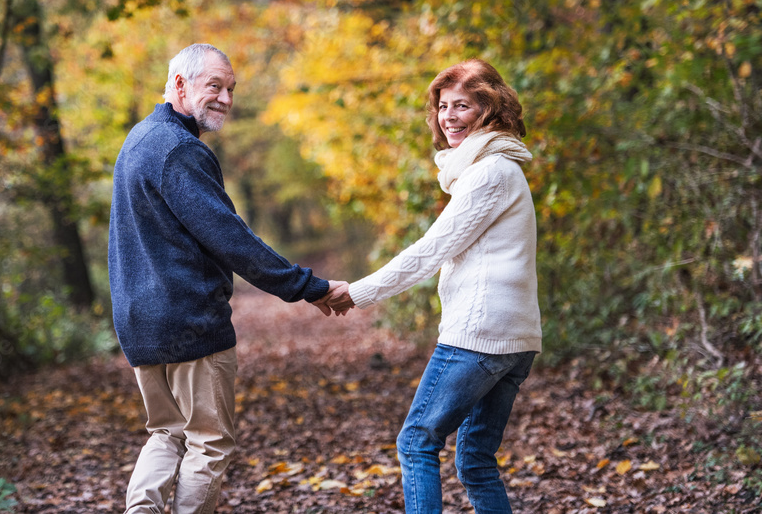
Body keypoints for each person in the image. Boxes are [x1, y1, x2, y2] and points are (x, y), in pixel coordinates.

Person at [108, 43, 350, 514]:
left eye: (230, 89)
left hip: (139, 322)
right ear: (179, 85)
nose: (224, 98)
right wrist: (307, 287)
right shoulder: (179, 150)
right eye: (213, 85)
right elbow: (230, 238)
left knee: (166, 433)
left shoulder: (139, 138)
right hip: (187, 321)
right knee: (208, 442)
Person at [328, 58, 542, 514]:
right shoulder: (497, 169)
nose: (448, 117)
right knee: (476, 461)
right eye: (443, 106)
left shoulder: (489, 174)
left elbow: (430, 251)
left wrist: (358, 293)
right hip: (513, 337)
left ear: (490, 109)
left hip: (481, 335)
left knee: (417, 441)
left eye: (462, 106)